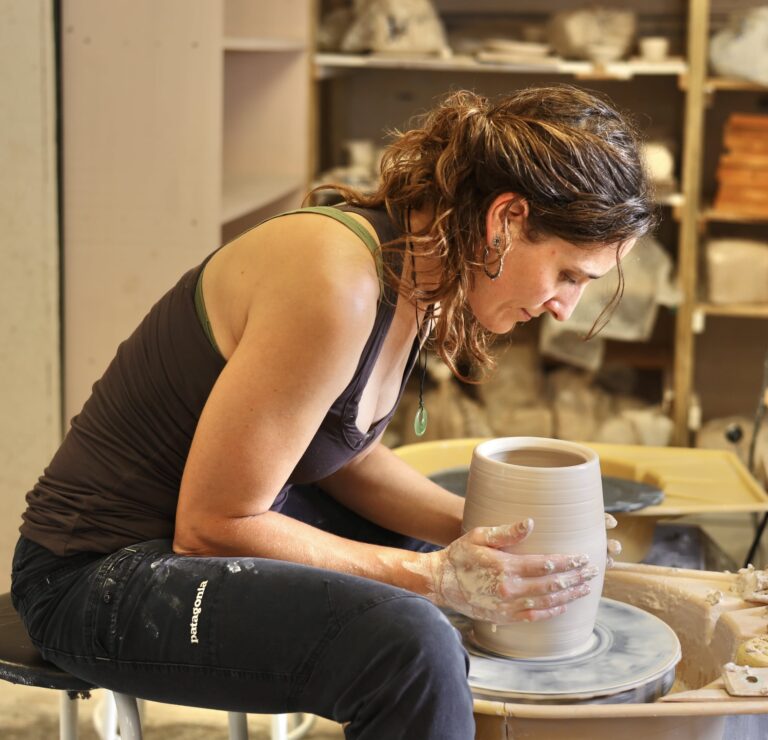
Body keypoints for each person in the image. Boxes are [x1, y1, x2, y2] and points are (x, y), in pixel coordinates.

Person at [11, 85, 654, 739]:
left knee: (438, 555)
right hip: (96, 576)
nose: (565, 309)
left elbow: (338, 454)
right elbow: (210, 526)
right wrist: (436, 576)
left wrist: (497, 538)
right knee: (411, 647)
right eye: (569, 275)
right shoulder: (336, 280)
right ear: (507, 220)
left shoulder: (421, 274)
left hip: (184, 542)